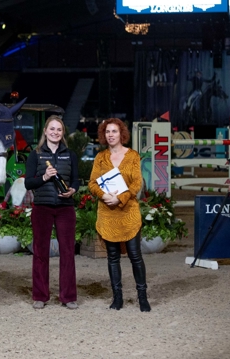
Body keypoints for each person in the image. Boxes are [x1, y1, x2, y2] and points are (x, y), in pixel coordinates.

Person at [88, 118, 151, 312]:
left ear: (121, 134)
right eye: (107, 131)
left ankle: (142, 297)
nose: (111, 135)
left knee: (135, 256)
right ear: (103, 135)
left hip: (128, 213)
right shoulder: (100, 158)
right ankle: (117, 298)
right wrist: (104, 195)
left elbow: (136, 184)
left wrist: (120, 199)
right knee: (112, 258)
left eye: (114, 131)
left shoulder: (133, 156)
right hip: (107, 213)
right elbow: (92, 184)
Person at [24, 115, 79, 310]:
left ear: (63, 133)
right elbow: (28, 183)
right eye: (52, 129)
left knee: (67, 252)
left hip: (65, 209)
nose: (55, 132)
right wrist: (45, 177)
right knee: (40, 253)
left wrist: (73, 190)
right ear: (45, 131)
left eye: (59, 129)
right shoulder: (35, 154)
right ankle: (40, 295)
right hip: (42, 208)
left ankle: (68, 296)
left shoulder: (69, 154)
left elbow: (76, 180)